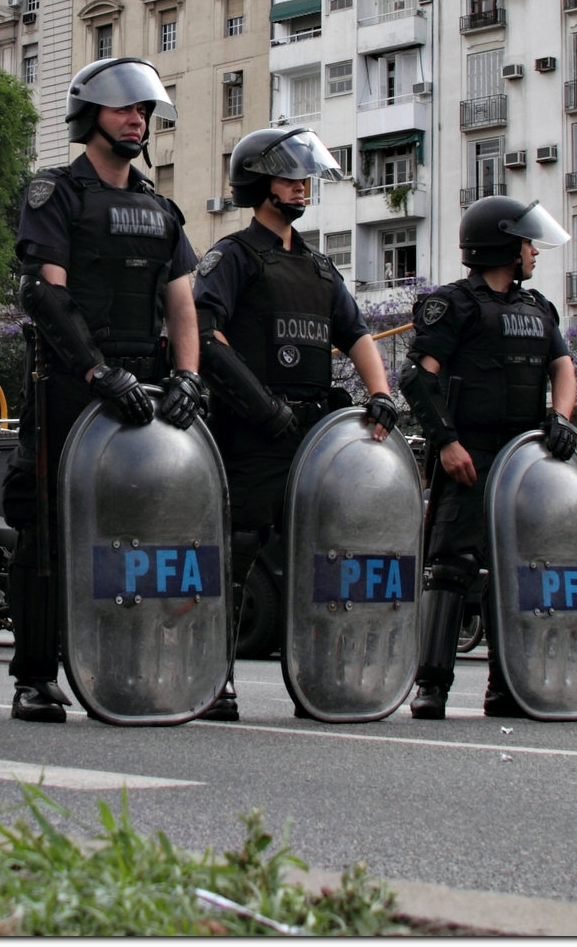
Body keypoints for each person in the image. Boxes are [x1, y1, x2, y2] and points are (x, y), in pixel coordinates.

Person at [4, 57, 208, 723]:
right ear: (90, 115)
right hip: (68, 382)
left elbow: (182, 305)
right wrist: (94, 371)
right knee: (45, 527)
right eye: (124, 109)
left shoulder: (159, 206)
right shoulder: (56, 192)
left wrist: (186, 378)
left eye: (144, 111)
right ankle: (35, 675)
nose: (136, 120)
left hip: (143, 386)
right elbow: (46, 295)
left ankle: (117, 667)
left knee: (136, 532)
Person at [194, 125, 399, 721]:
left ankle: (323, 681)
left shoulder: (317, 266)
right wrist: (260, 404)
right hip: (255, 431)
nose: (302, 186)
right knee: (238, 550)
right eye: (288, 177)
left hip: (315, 433)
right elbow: (206, 334)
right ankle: (213, 681)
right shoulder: (232, 256)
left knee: (326, 554)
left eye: (304, 177)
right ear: (259, 184)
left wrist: (381, 394)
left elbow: (355, 332)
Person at [399, 195, 577, 719]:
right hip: (470, 452)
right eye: (526, 242)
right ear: (502, 244)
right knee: (452, 566)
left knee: (519, 568)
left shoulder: (538, 308)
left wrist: (562, 419)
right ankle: (431, 685)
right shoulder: (452, 304)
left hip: (524, 456)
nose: (534, 252)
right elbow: (418, 376)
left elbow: (562, 367)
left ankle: (510, 686)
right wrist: (447, 442)